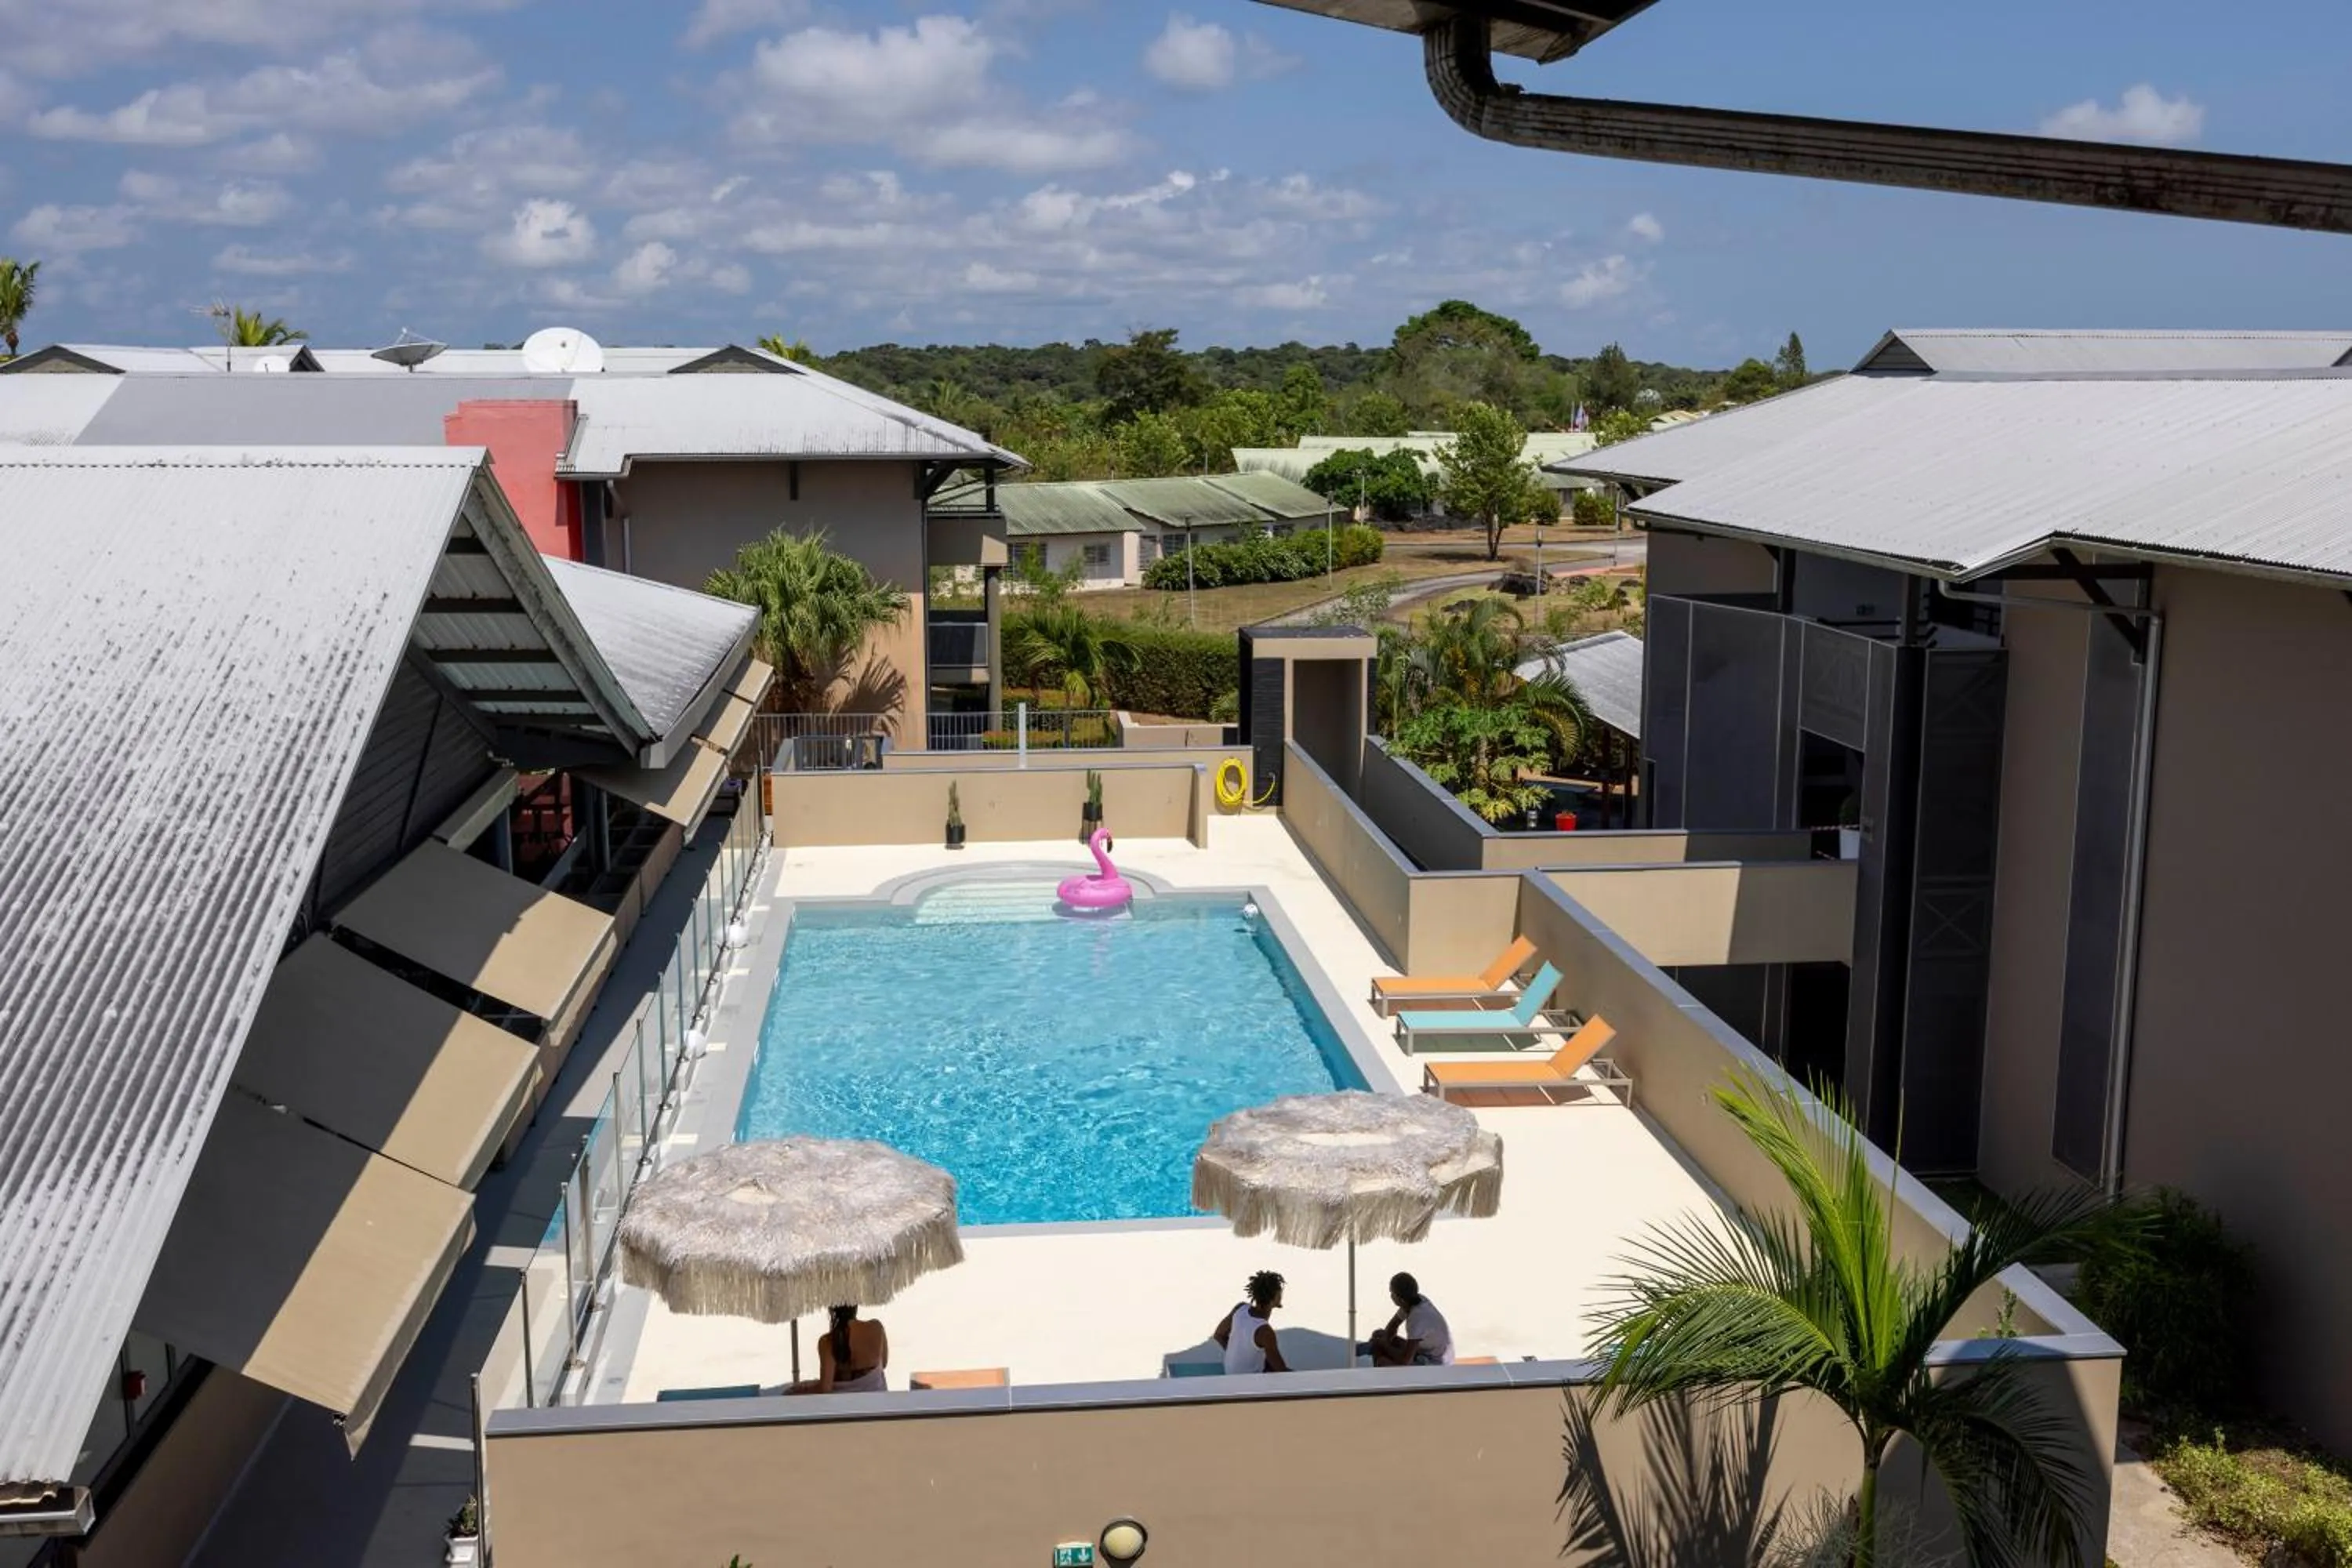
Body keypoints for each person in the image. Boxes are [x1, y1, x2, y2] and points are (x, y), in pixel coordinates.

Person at [786, 1304, 888, 1394]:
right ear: (855, 1306)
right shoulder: (876, 1327)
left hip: (843, 1403)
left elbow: (825, 1388)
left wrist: (798, 1391)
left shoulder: (828, 1341)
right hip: (877, 1399)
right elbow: (884, 1363)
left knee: (790, 1391)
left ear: (832, 1310)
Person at [1359, 1272, 1454, 1367]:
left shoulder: (1417, 1319)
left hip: (1435, 1364)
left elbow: (1405, 1361)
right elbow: (1393, 1325)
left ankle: (1382, 1373)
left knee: (1382, 1362)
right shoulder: (1413, 1301)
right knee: (1379, 1334)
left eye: (1392, 1293)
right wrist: (1384, 1341)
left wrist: (1383, 1345)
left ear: (1401, 1299)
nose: (1391, 1296)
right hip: (1424, 1352)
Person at [1213, 1271, 1290, 1374]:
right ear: (1275, 1296)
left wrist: (1237, 1354)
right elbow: (1281, 1371)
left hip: (1230, 1378)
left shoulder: (1240, 1310)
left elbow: (1219, 1335)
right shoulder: (1265, 1332)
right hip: (1251, 1382)